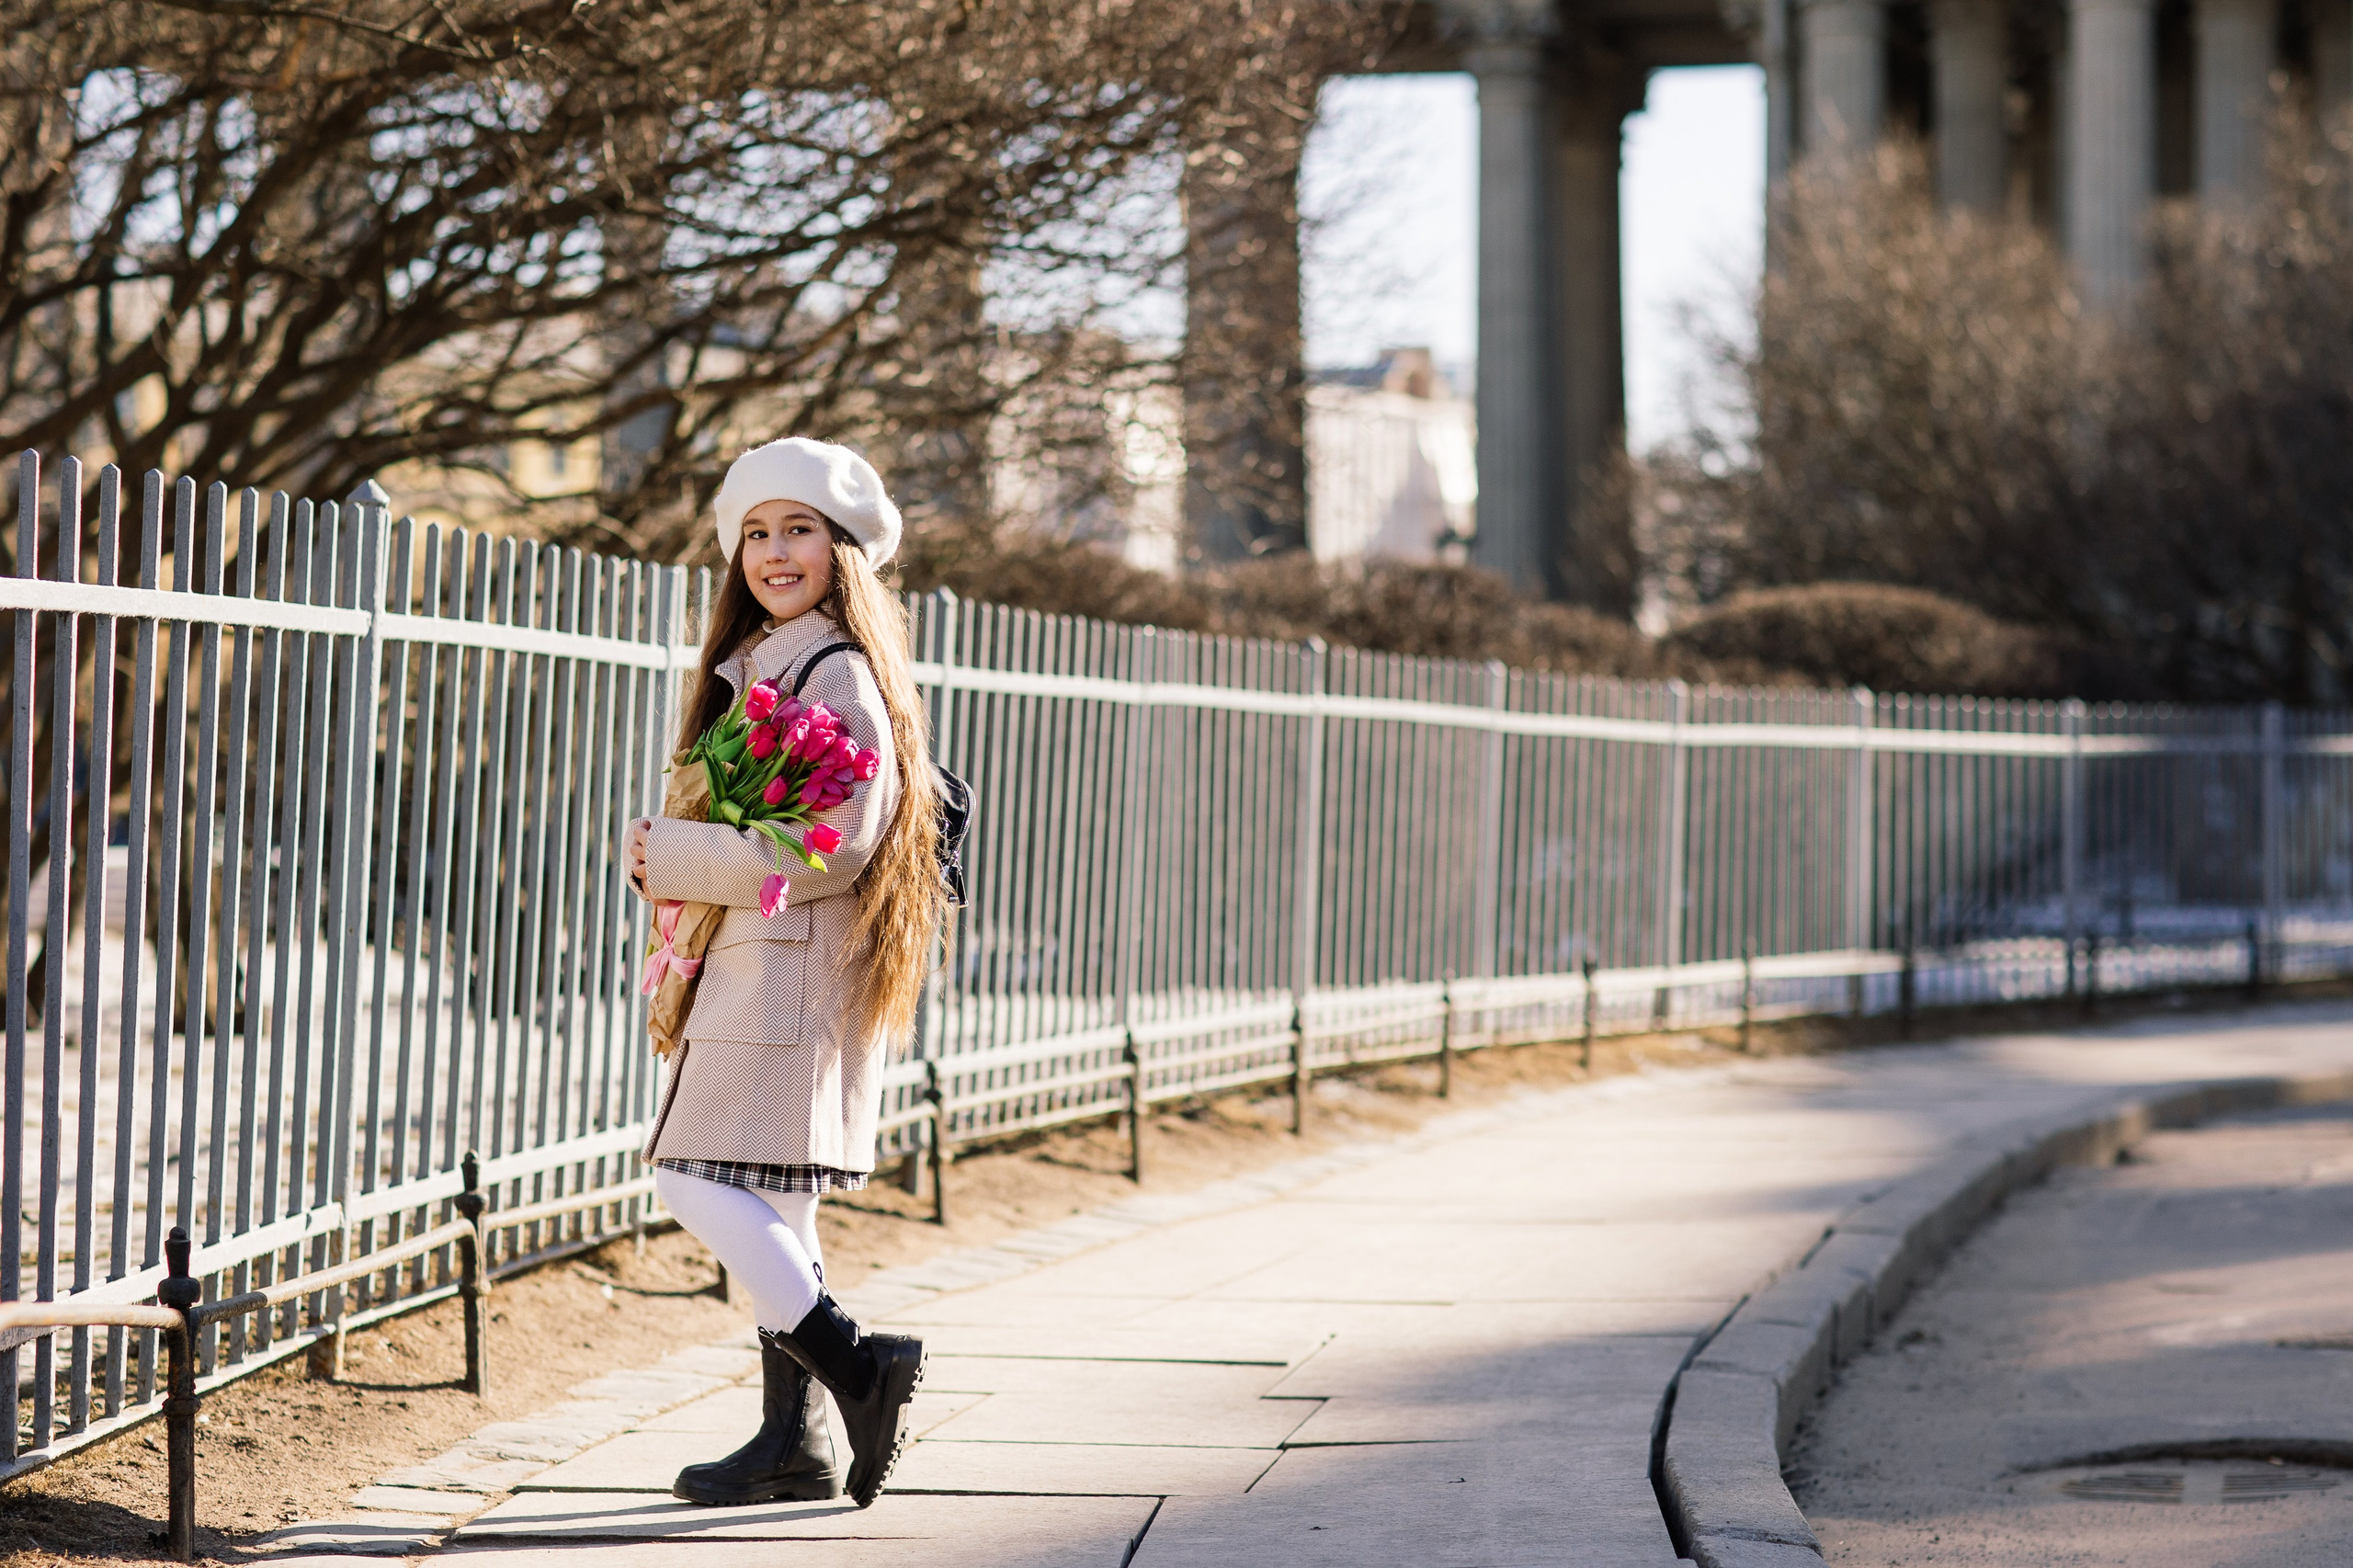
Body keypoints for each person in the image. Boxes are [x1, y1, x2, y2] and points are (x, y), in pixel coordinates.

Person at [623, 437, 941, 1509]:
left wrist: (670, 849)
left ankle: (856, 1365)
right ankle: (788, 1440)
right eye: (756, 531)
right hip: (763, 962)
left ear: (843, 546)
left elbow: (834, 841)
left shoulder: (832, 667)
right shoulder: (771, 659)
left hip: (787, 970)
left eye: (798, 527)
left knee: (690, 1175)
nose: (773, 549)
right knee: (774, 1208)